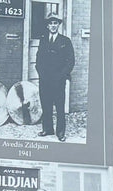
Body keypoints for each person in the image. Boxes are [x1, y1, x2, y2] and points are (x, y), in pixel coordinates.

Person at [36, 13, 75, 141]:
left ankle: (60, 132)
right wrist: (41, 74)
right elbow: (38, 60)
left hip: (59, 80)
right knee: (46, 105)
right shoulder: (43, 40)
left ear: (58, 25)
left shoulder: (65, 41)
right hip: (45, 80)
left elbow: (70, 61)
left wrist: (62, 75)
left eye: (55, 23)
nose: (53, 26)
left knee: (59, 107)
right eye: (50, 23)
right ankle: (47, 129)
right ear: (47, 26)